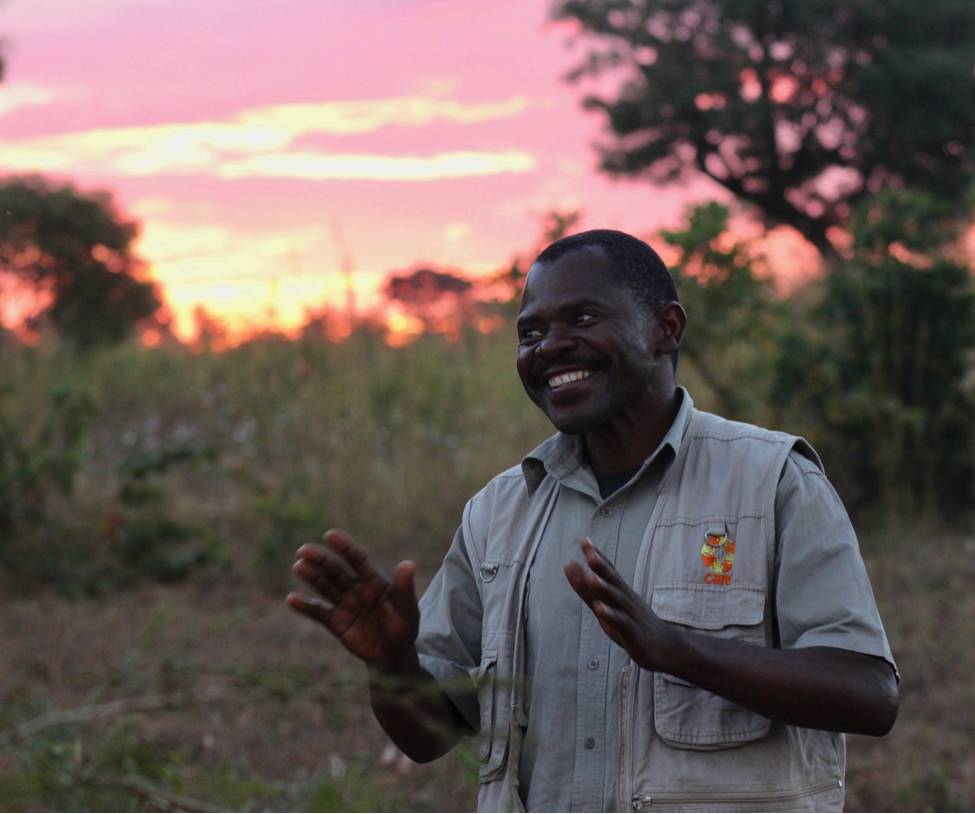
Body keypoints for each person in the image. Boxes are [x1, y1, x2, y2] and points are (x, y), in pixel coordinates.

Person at [287, 230, 899, 813]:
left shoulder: (771, 482)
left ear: (666, 329)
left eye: (582, 319)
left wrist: (680, 651)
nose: (549, 347)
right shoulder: (498, 513)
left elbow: (869, 695)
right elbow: (428, 738)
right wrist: (391, 665)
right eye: (530, 333)